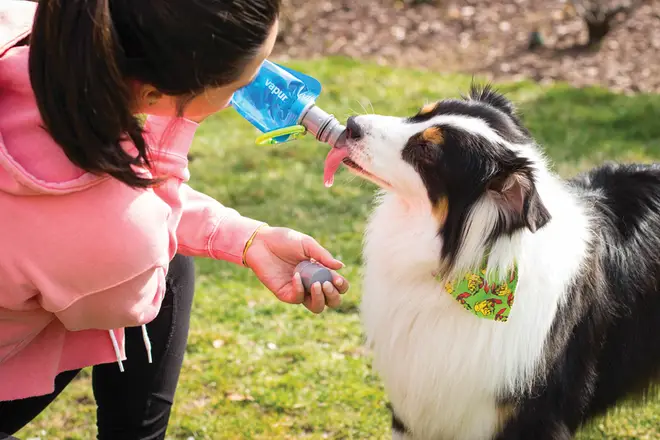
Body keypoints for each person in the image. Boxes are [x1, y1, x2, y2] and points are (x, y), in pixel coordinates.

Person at [0, 0, 349, 438]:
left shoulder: (36, 26)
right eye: (243, 77)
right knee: (164, 270)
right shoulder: (109, 233)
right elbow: (135, 293)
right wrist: (169, 135)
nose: (263, 81)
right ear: (152, 94)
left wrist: (247, 238)